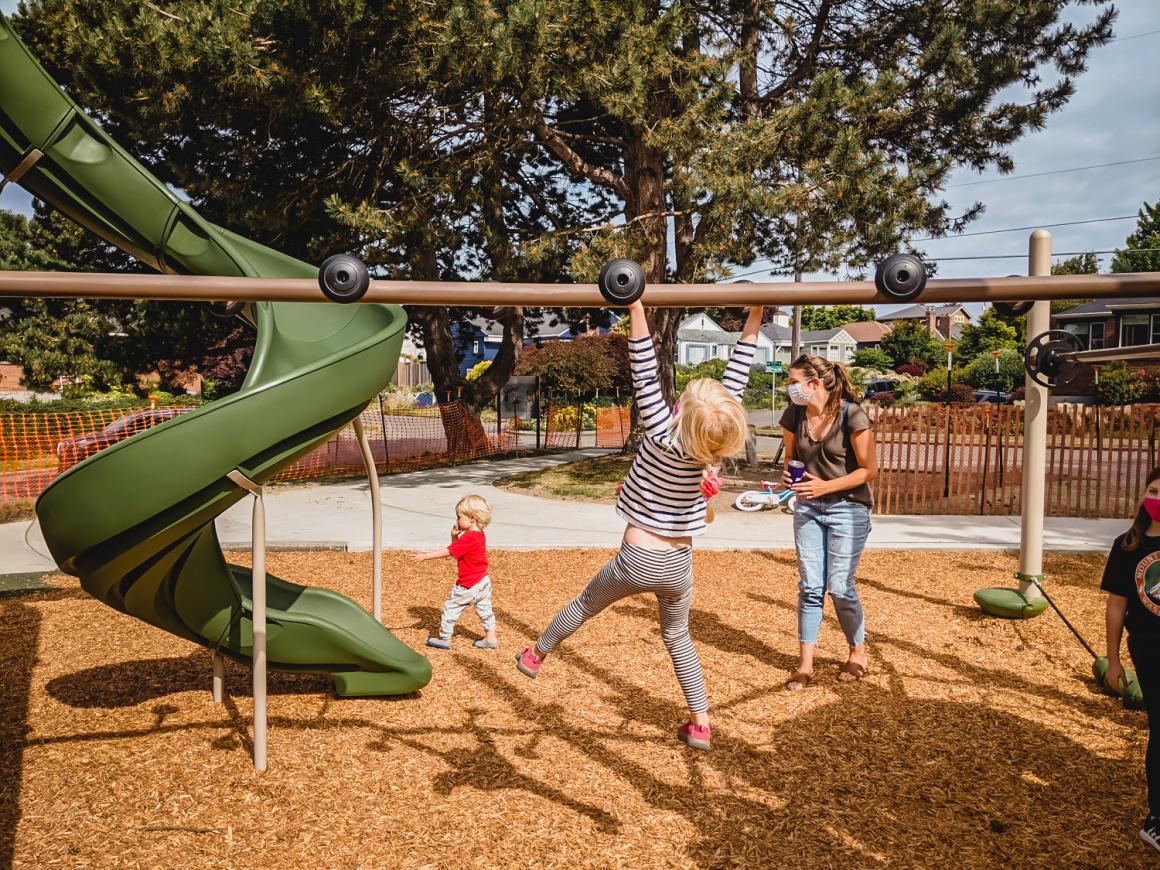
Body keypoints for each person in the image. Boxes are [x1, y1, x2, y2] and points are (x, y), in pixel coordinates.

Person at [515, 299, 762, 751]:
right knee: (677, 636)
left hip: (637, 558)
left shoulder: (657, 429)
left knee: (586, 603)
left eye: (686, 394)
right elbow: (739, 371)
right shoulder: (711, 445)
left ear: (682, 412)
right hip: (678, 567)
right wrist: (758, 311)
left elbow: (643, 363)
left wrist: (635, 303)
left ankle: (535, 654)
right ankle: (701, 721)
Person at [779, 354, 877, 690]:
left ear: (815, 384)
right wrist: (788, 476)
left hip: (848, 507)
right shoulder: (794, 414)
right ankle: (805, 664)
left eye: (794, 382)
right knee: (810, 587)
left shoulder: (852, 414)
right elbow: (793, 457)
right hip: (808, 506)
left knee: (839, 586)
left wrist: (826, 485)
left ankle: (857, 652)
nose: (789, 388)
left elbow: (868, 470)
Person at [1101, 467, 1160, 854]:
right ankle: (1156, 817)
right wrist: (1113, 660)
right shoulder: (1127, 545)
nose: (1157, 497)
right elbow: (1116, 606)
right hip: (1149, 647)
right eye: (1153, 489)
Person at [413, 494, 498, 650]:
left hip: (468, 584)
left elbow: (450, 551)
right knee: (485, 609)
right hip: (483, 581)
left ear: (472, 518)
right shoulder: (479, 535)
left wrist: (425, 556)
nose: (457, 520)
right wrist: (454, 536)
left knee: (450, 608)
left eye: (459, 517)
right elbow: (458, 552)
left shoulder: (469, 538)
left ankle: (444, 638)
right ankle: (491, 638)